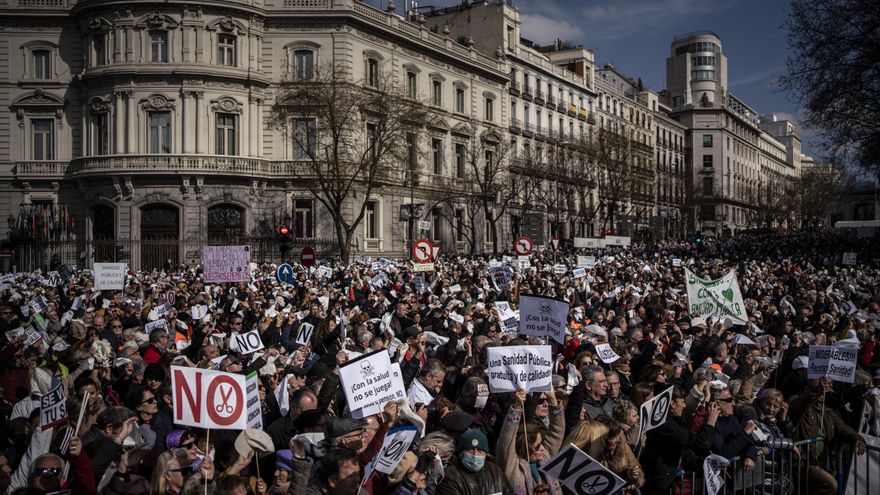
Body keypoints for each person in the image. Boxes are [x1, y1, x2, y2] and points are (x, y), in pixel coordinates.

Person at [641, 386, 720, 495]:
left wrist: (709, 463)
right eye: (682, 402)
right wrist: (711, 422)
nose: (684, 405)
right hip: (657, 485)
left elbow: (686, 451)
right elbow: (701, 443)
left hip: (667, 482)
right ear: (672, 404)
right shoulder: (665, 425)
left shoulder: (676, 420)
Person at [497, 390, 564, 495]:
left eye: (540, 444)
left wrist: (553, 401)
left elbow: (557, 432)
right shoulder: (512, 465)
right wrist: (517, 407)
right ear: (525, 447)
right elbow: (506, 441)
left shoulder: (545, 456)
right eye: (537, 447)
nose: (542, 449)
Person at [435, 429, 513, 495]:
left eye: (480, 450)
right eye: (470, 450)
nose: (475, 454)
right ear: (461, 453)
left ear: (486, 454)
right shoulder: (449, 475)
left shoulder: (496, 471)